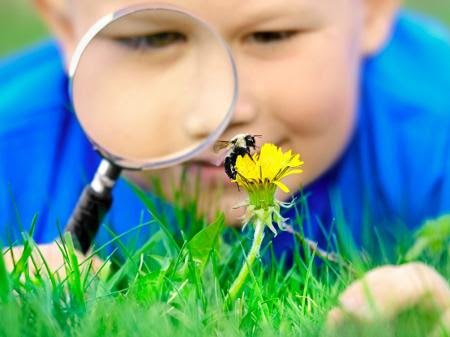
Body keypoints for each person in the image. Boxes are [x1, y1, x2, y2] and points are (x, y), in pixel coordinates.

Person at [1, 0, 450, 323]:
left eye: (270, 36)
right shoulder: (12, 146)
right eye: (151, 39)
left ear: (371, 11)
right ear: (64, 24)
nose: (212, 116)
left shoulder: (435, 131)